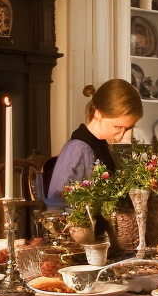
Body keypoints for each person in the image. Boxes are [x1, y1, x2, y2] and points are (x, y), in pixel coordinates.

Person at [45, 79, 143, 208]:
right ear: (98, 114)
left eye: (127, 128)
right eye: (118, 127)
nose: (121, 135)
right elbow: (56, 204)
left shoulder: (102, 146)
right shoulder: (78, 149)